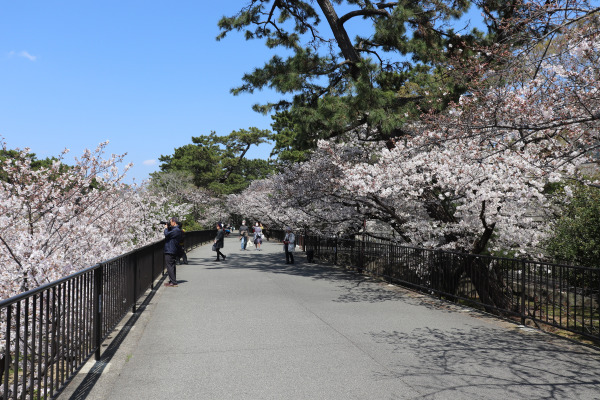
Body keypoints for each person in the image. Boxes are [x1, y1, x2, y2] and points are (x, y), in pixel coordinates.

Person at [164, 217, 183, 287]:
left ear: (174, 222)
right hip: (171, 249)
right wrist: (168, 227)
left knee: (170, 266)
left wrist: (166, 228)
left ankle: (173, 282)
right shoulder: (176, 230)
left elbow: (166, 234)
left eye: (171, 222)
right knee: (171, 265)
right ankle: (172, 281)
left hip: (170, 249)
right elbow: (170, 234)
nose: (170, 223)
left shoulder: (176, 230)